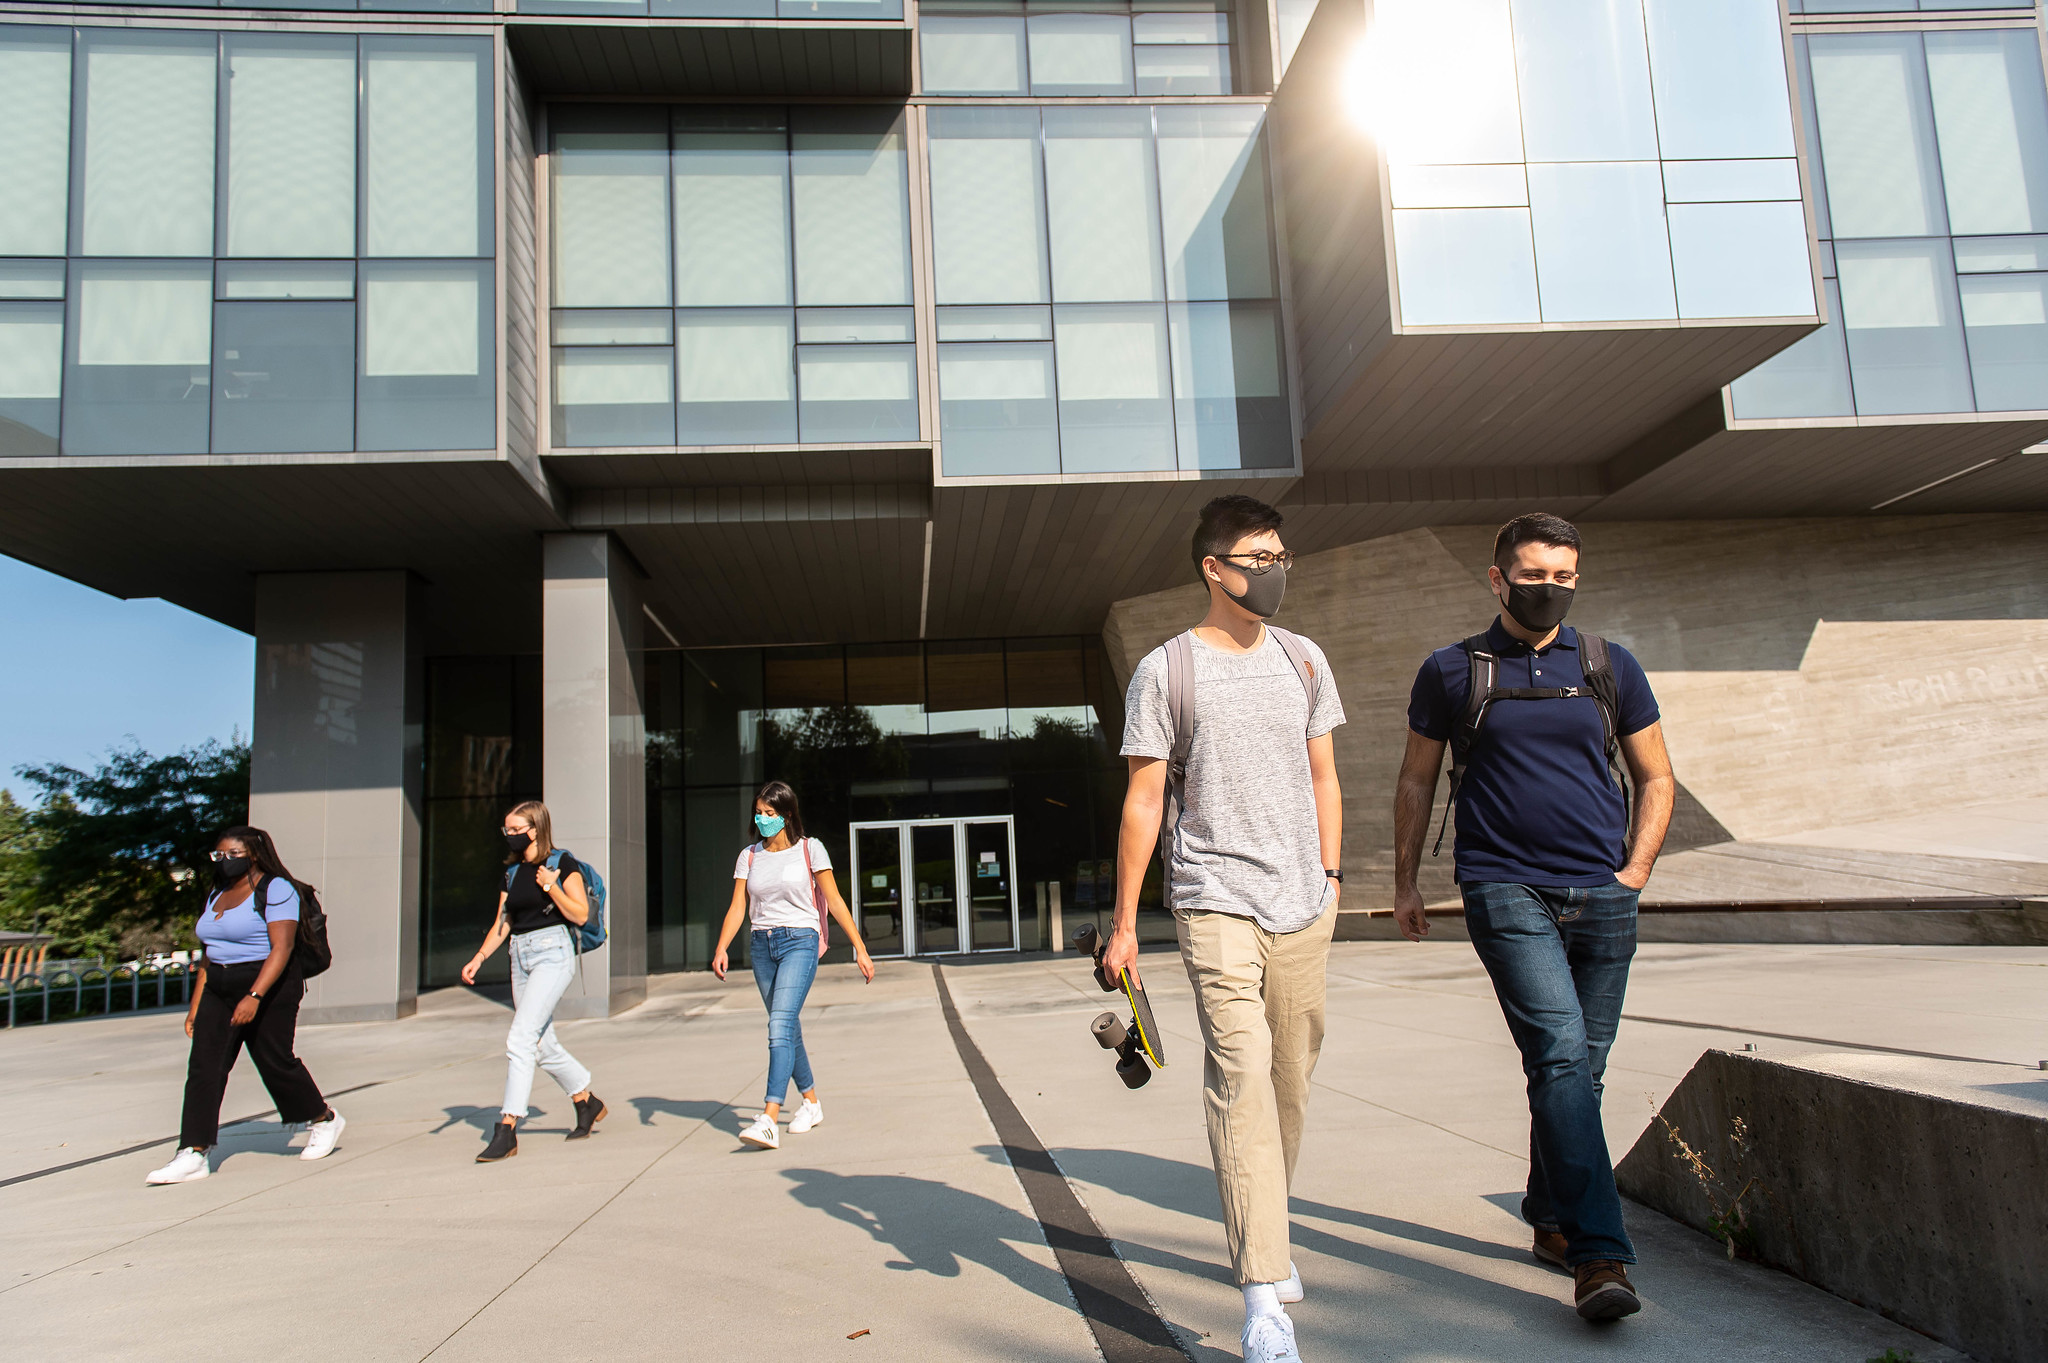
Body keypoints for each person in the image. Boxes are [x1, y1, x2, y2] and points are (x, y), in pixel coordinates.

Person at [1391, 512, 1675, 1323]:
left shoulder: (1608, 665)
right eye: (1532, 573)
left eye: (1563, 575)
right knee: (1557, 1054)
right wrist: (1407, 882)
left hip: (1604, 891)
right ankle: (1599, 1256)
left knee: (1583, 1065)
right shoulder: (1452, 670)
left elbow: (1656, 775)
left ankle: (1551, 1218)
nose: (1547, 587)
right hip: (1503, 884)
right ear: (1496, 577)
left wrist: (1635, 870)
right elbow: (1416, 780)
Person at [1106, 495, 1345, 1363]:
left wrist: (1329, 877)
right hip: (1213, 898)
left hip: (1302, 902)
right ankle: (1261, 1298)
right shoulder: (1166, 670)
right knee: (1240, 1074)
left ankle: (1269, 1238)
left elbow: (1325, 777)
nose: (1274, 570)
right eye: (1258, 557)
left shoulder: (1304, 659)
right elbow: (1142, 799)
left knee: (1290, 1077)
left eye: (1282, 555)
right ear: (1215, 568)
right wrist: (1127, 921)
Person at [147, 826, 344, 1185]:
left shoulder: (276, 889)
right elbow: (208, 955)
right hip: (218, 985)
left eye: (232, 855)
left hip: (269, 983)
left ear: (254, 854)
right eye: (218, 855)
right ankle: (193, 1152)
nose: (223, 861)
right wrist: (195, 1007)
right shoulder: (216, 893)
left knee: (274, 1061)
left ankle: (323, 1119)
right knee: (204, 1068)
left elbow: (281, 948)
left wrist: (253, 997)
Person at [712, 780, 875, 1151]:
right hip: (761, 945)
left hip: (800, 941)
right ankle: (812, 1103)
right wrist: (722, 946)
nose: (763, 819)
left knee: (778, 1024)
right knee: (786, 1026)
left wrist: (860, 949)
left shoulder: (810, 850)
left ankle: (769, 1116)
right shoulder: (749, 856)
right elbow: (738, 906)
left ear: (787, 815)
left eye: (770, 814)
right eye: (758, 813)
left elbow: (834, 901)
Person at [461, 800, 606, 1162]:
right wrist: (478, 958)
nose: (509, 836)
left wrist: (551, 887)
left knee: (520, 1037)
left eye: (515, 829)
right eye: (506, 830)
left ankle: (507, 1127)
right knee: (541, 1043)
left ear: (535, 829)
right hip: (519, 956)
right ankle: (586, 1102)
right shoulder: (511, 873)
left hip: (552, 953)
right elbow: (502, 922)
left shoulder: (560, 863)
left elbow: (581, 913)